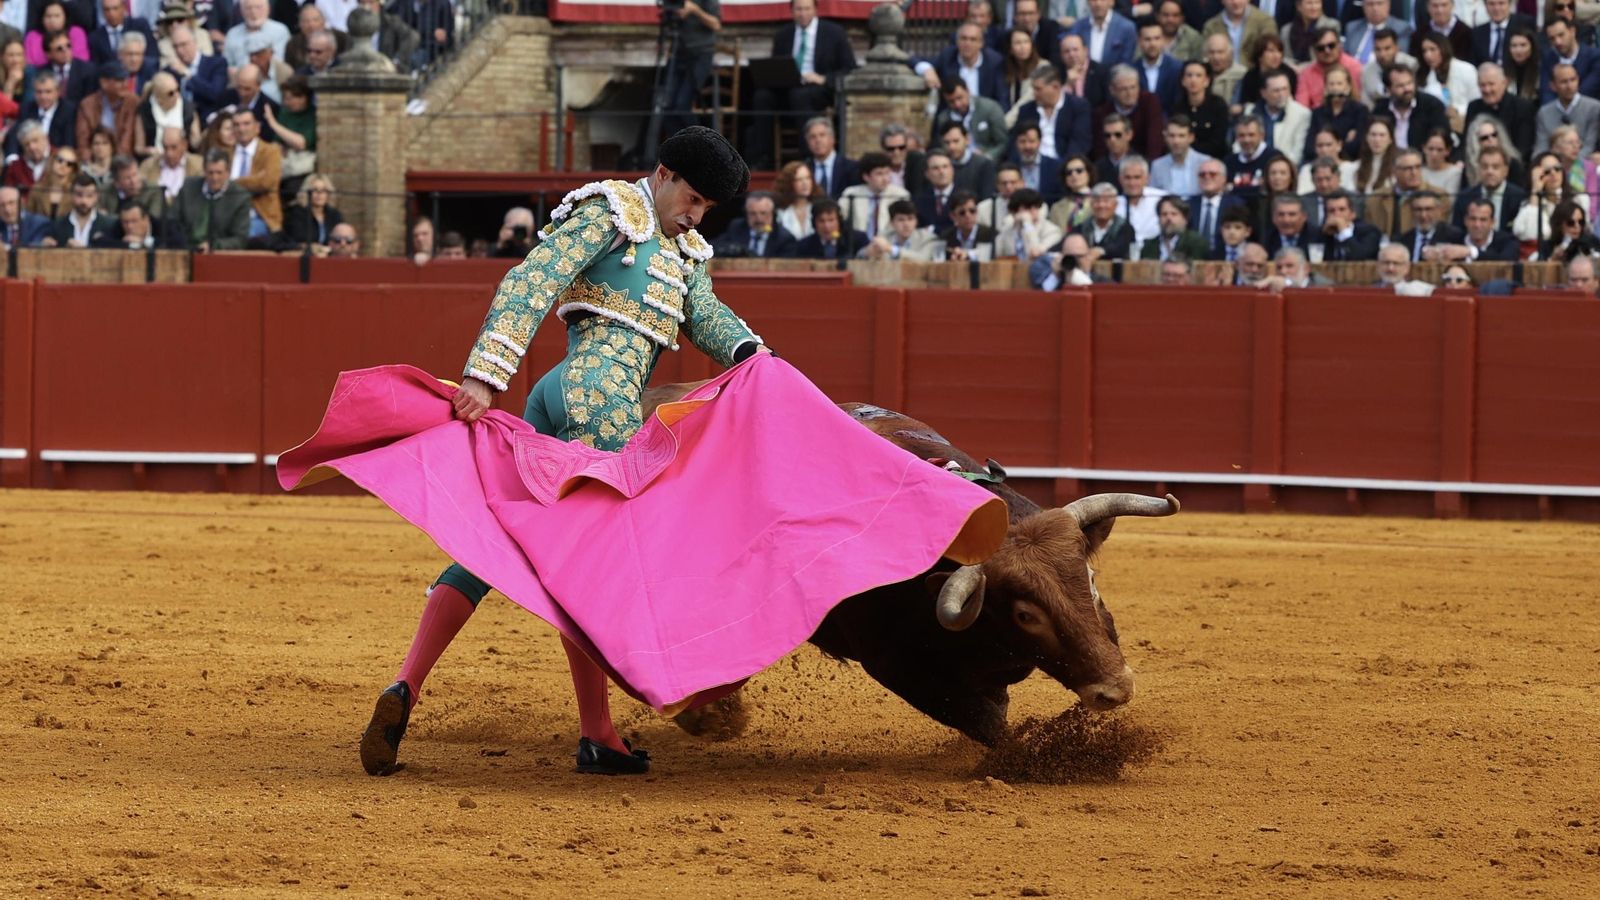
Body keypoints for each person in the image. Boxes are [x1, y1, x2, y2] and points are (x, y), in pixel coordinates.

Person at [359, 126, 767, 778]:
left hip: (556, 395)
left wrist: (753, 355)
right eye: (692, 198)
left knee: (499, 541)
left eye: (707, 208)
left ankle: (406, 684)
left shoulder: (686, 251)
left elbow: (707, 315)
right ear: (662, 174)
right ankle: (604, 730)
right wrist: (485, 373)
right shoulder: (612, 209)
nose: (696, 215)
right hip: (598, 398)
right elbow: (533, 279)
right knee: (599, 560)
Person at [746, 0, 856, 168]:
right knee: (762, 97)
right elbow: (777, 66)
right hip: (788, 86)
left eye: (806, 9)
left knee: (800, 96)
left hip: (819, 89)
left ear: (815, 10)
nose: (803, 13)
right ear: (792, 11)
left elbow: (849, 69)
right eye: (798, 9)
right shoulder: (783, 35)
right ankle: (763, 158)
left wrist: (824, 78)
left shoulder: (834, 32)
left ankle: (808, 158)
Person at [658, 0, 720, 139]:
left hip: (701, 54)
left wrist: (695, 10)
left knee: (682, 104)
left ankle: (699, 142)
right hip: (678, 53)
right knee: (666, 106)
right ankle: (677, 146)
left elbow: (716, 24)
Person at [173, 148, 251, 251]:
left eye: (219, 173)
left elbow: (240, 239)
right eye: (210, 172)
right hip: (186, 249)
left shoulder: (239, 197)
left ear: (228, 173)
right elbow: (173, 221)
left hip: (218, 254)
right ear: (204, 171)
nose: (214, 178)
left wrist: (214, 246)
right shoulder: (188, 188)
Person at [1013, 63, 1090, 162]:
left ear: (1056, 87)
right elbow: (1015, 143)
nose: (1034, 93)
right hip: (1031, 163)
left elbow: (1079, 142)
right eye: (1033, 89)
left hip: (1064, 164)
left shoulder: (1077, 107)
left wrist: (1065, 166)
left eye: (1038, 89)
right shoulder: (1026, 110)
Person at [229, 106, 280, 238]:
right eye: (236, 125)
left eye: (246, 124)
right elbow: (216, 183)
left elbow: (266, 182)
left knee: (244, 232)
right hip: (227, 215)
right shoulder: (225, 153)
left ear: (257, 127)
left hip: (260, 216)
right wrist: (254, 180)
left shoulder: (270, 152)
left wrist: (232, 183)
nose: (241, 129)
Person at [838, 151, 911, 241]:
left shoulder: (900, 195)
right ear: (866, 177)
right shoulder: (851, 193)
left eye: (887, 173)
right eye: (879, 174)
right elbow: (839, 218)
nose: (885, 179)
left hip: (889, 244)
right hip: (859, 244)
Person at [932, 77, 1009, 161]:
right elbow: (941, 146)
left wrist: (987, 156)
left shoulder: (990, 108)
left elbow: (1003, 142)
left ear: (968, 91)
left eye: (960, 98)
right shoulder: (943, 118)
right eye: (951, 101)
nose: (957, 104)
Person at [165, 23, 227, 123]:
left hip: (208, 120)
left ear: (195, 42)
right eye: (175, 46)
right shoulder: (169, 70)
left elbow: (215, 94)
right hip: (178, 121)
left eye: (183, 44)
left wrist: (187, 74)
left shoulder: (216, 63)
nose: (179, 50)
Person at [1535, 64, 1600, 158]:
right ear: (1553, 86)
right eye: (1564, 82)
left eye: (1573, 80)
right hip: (1554, 163)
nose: (1569, 86)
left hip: (1584, 162)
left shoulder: (1594, 108)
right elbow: (1541, 147)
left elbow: (1589, 145)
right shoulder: (1544, 113)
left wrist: (1572, 162)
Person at [1416, 31, 1477, 130]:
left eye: (1432, 49)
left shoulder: (1466, 69)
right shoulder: (1424, 75)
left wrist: (1457, 110)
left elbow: (1476, 100)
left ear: (1443, 48)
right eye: (1424, 51)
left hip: (1467, 122)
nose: (1428, 55)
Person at [1171, 60, 1229, 161]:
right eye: (1189, 75)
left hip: (1214, 159)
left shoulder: (1218, 105)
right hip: (1183, 159)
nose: (1193, 80)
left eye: (1198, 75)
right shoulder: (1178, 107)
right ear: (1183, 81)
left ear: (1206, 81)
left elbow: (1218, 141)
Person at [1431, 197, 1520, 262]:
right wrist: (1430, 252)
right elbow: (1431, 249)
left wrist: (1470, 252)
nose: (1477, 225)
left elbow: (1505, 260)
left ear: (1492, 222)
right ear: (1465, 220)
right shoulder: (1452, 238)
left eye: (1483, 220)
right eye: (1473, 219)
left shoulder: (1508, 241)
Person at [714, 190, 797, 258]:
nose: (759, 219)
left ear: (773, 213)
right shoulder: (737, 228)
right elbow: (714, 246)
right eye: (753, 213)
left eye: (763, 213)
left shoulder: (784, 238)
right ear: (746, 213)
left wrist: (748, 253)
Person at [76, 60, 136, 156]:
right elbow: (83, 142)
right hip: (94, 158)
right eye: (119, 80)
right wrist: (89, 161)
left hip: (123, 159)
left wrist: (117, 162)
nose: (125, 84)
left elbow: (127, 141)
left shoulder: (133, 102)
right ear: (104, 82)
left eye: (126, 80)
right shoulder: (87, 105)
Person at [40, 172, 114, 246]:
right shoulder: (58, 225)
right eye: (79, 195)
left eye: (89, 195)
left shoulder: (107, 225)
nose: (84, 201)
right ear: (71, 195)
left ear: (96, 196)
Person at [1191, 157, 1246, 256]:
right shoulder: (1189, 204)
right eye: (1202, 174)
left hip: (1225, 258)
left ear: (1224, 178)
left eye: (1212, 174)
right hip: (1194, 257)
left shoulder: (1236, 204)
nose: (1207, 177)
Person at [1133, 15, 1183, 114]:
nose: (1152, 44)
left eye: (1157, 38)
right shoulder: (1132, 69)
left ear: (1163, 40)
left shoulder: (1177, 68)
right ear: (1139, 41)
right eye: (1147, 39)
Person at [1203, 0, 1275, 69]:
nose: (1236, 2)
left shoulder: (1264, 22)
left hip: (1255, 74)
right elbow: (1205, 57)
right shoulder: (1211, 26)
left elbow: (1271, 54)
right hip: (1222, 75)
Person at [1513, 152, 1564, 247]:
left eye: (1557, 168)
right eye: (1547, 171)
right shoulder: (1529, 203)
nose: (1553, 173)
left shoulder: (1578, 199)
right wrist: (1536, 190)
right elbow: (1531, 235)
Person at [994, 187, 1061, 259]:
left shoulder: (1052, 231)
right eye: (1027, 208)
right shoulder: (1008, 228)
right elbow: (995, 254)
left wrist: (1028, 225)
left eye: (1035, 207)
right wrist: (1010, 226)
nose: (1033, 211)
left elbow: (1035, 253)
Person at [1237, 33, 1296, 114]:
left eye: (1279, 51)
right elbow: (1245, 102)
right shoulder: (1250, 76)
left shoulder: (1289, 73)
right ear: (1259, 55)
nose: (1276, 55)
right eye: (1271, 51)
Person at [1073, 181, 1134, 259]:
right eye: (1097, 201)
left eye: (1106, 201)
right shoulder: (1082, 227)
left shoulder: (1125, 228)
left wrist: (1100, 251)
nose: (1101, 205)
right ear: (1091, 204)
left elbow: (1121, 247)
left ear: (1115, 205)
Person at [282, 171, 341, 251]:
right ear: (306, 193)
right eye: (315, 190)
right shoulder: (295, 214)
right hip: (303, 254)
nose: (319, 194)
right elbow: (292, 240)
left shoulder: (334, 215)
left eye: (323, 190)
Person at [1066, 0, 1136, 68]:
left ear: (1112, 2)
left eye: (1103, 0)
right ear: (1087, 2)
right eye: (1094, 0)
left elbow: (1126, 62)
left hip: (1115, 74)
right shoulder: (1078, 27)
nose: (1098, 4)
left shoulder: (1126, 28)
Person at [1396, 188, 1461, 260]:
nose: (1423, 215)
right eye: (1418, 210)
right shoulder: (1402, 240)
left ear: (1439, 211)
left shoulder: (1454, 237)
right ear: (1411, 212)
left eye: (1428, 209)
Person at [801, 116, 857, 200]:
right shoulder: (804, 169)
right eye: (812, 137)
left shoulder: (851, 168)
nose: (818, 140)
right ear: (807, 142)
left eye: (822, 135)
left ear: (832, 139)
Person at [140, 124, 199, 202]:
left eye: (173, 147)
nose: (169, 153)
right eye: (165, 147)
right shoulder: (148, 166)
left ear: (184, 145)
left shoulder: (198, 165)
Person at [1345, 0, 1412, 68]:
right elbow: (1345, 56)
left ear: (1388, 5)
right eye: (1370, 4)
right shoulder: (1352, 27)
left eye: (1379, 3)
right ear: (1363, 6)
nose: (1375, 8)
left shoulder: (1401, 28)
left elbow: (1399, 60)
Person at [1006, 121, 1063, 201]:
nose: (1027, 146)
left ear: (1039, 142)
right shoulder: (1008, 168)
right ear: (1016, 143)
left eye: (1031, 141)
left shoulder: (1055, 166)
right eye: (1022, 141)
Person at [223, 0, 289, 69]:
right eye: (248, 8)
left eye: (258, 7)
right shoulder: (232, 34)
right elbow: (227, 63)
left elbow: (279, 62)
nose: (253, 12)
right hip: (239, 74)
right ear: (241, 11)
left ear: (268, 9)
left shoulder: (280, 31)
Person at [938, 189, 997, 261]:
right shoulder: (946, 237)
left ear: (977, 212)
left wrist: (968, 254)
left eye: (972, 211)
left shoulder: (991, 235)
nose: (968, 216)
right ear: (953, 216)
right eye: (962, 213)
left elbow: (989, 255)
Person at [26, 2, 88, 68]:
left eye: (57, 16)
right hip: (42, 73)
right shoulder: (32, 37)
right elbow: (29, 64)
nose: (52, 20)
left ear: (65, 17)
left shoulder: (76, 32)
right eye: (48, 16)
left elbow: (82, 59)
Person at [1537, 198, 1600, 263]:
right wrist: (1553, 259)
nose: (1577, 226)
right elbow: (1540, 266)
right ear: (1559, 224)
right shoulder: (1547, 247)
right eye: (1571, 223)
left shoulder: (1592, 242)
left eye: (1581, 222)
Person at [1030, 231, 1099, 289]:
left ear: (1088, 256)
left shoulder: (1101, 281)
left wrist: (1086, 273)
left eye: (1079, 256)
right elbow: (1044, 295)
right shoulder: (1057, 282)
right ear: (1062, 256)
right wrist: (1055, 276)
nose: (1075, 261)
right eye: (1071, 257)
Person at [23, 144, 76, 217]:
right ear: (53, 161)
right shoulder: (37, 189)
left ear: (73, 169)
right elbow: (28, 217)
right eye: (60, 160)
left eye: (69, 164)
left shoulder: (75, 192)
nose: (63, 165)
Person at [2, 119, 53, 194]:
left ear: (45, 138)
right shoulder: (15, 167)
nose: (32, 147)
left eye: (35, 141)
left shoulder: (59, 159)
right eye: (27, 144)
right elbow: (8, 194)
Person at [1281, 0, 1337, 67]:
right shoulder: (1286, 30)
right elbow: (1284, 56)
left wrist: (1303, 68)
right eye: (1309, 3)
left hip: (1320, 69)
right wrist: (1293, 67)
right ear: (1299, 7)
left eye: (1317, 3)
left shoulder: (1331, 25)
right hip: (1290, 70)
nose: (1314, 7)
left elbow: (1332, 55)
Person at [1046, 151, 1093, 231]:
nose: (1074, 175)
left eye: (1079, 170)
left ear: (1088, 174)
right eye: (1069, 172)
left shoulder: (1100, 202)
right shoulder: (1056, 207)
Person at [913, 148, 957, 231]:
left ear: (952, 170)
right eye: (935, 168)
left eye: (945, 167)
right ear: (927, 174)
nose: (941, 172)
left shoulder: (965, 195)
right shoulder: (919, 199)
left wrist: (932, 229)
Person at [774, 159, 818, 240]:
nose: (805, 183)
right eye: (799, 180)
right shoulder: (780, 212)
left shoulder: (818, 207)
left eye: (808, 178)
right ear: (788, 183)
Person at [1001, 26, 1041, 110]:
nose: (1023, 47)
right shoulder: (1006, 69)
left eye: (1026, 42)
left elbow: (1028, 99)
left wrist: (1008, 117)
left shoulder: (1042, 67)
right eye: (1017, 43)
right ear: (1010, 48)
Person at [1202, 33, 1246, 108]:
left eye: (1220, 52)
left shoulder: (1242, 74)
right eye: (1211, 52)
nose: (1216, 57)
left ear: (1230, 54)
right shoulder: (1199, 72)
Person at [1419, 129, 1461, 195]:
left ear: (1447, 151)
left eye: (1439, 150)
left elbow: (1450, 198)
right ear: (1424, 148)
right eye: (1430, 149)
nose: (1434, 154)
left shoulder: (1455, 173)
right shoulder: (1418, 171)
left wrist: (1426, 186)